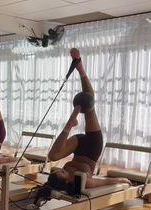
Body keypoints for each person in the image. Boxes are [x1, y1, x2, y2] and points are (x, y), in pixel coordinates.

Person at [45, 47, 131, 193]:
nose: (61, 170)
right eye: (62, 172)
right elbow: (103, 181)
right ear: (66, 181)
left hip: (78, 147)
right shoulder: (85, 182)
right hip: (92, 148)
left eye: (58, 171)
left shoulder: (61, 175)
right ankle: (81, 70)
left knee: (52, 156)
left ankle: (70, 124)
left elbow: (55, 162)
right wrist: (120, 181)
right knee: (89, 104)